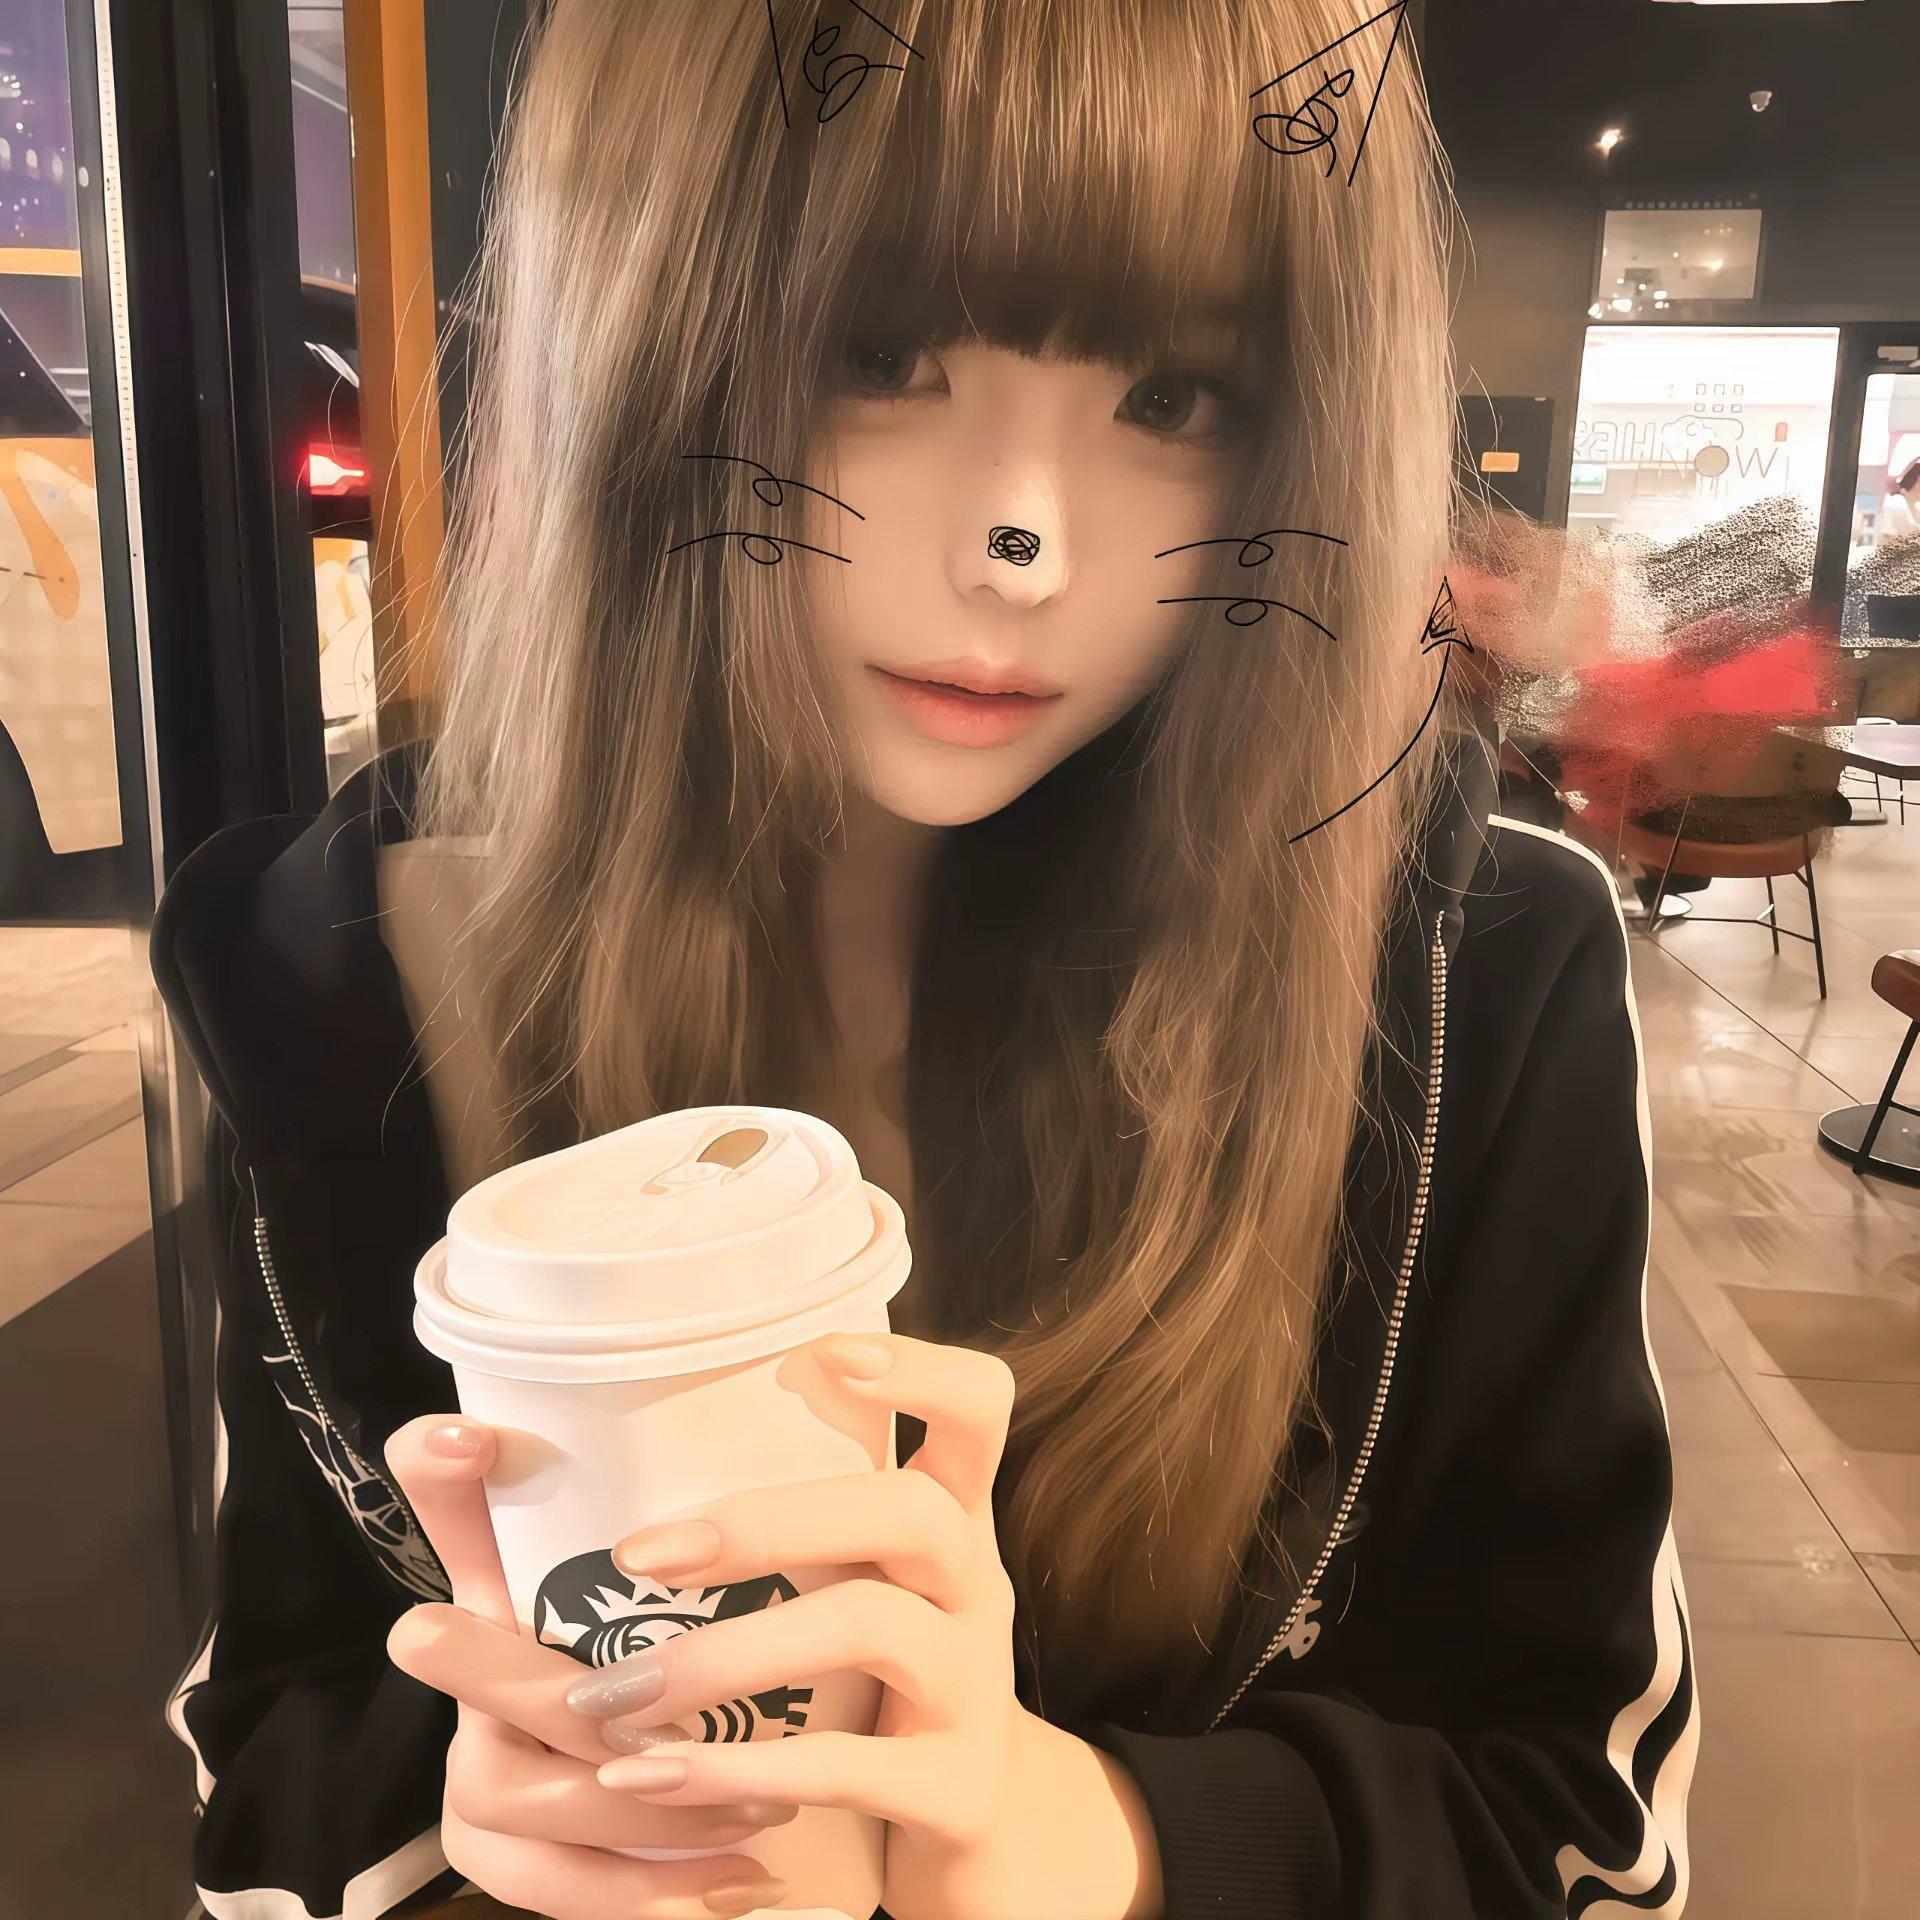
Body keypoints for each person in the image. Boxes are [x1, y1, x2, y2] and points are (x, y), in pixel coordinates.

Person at [150, 2, 1697, 1915]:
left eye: (1176, 396)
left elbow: (1582, 1824)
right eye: (881, 357)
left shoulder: (1469, 969)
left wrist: (1088, 1839)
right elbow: (270, 1758)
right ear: (638, 328)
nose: (1019, 543)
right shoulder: (342, 968)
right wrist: (474, 1827)